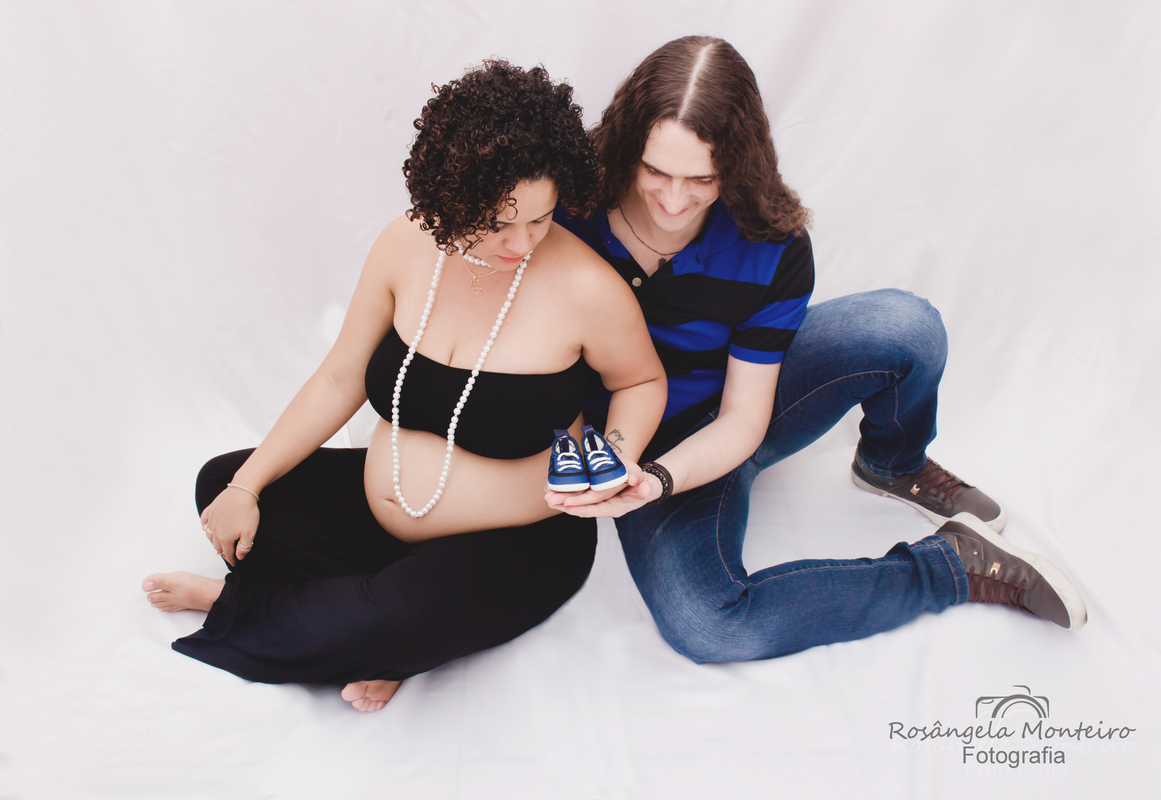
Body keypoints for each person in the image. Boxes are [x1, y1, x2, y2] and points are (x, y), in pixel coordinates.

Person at [142, 60, 667, 711]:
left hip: (519, 541)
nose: (521, 242)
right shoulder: (404, 244)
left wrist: (613, 459)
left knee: (392, 616)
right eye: (499, 221)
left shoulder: (586, 288)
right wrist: (247, 486)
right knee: (221, 483)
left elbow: (641, 380)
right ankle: (388, 632)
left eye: (540, 218)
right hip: (381, 521)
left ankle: (257, 606)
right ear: (455, 191)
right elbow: (340, 376)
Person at [548, 36, 1086, 664]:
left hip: (740, 406)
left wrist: (666, 479)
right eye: (655, 172)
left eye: (702, 179)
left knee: (907, 328)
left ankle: (892, 464)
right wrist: (627, 471)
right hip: (631, 439)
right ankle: (952, 566)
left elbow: (744, 417)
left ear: (737, 164)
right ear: (626, 147)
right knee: (709, 627)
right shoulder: (568, 208)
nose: (672, 201)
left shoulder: (770, 241)